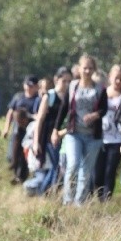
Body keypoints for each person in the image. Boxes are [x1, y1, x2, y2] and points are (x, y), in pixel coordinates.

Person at [52, 54, 108, 205]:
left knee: (86, 172)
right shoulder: (73, 86)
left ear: (94, 69)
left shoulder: (100, 89)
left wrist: (95, 115)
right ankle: (67, 200)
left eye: (90, 68)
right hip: (74, 133)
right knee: (73, 165)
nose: (87, 71)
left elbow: (104, 109)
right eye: (85, 68)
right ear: (79, 68)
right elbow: (64, 108)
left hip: (93, 136)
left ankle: (79, 204)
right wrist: (55, 130)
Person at [30, 66, 71, 195]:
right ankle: (45, 193)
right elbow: (39, 120)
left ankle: (47, 194)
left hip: (64, 136)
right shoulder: (49, 96)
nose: (66, 84)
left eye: (69, 81)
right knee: (56, 166)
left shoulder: (70, 97)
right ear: (56, 80)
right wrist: (36, 142)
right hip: (48, 137)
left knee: (59, 167)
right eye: (64, 81)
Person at [92, 64, 121, 201]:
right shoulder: (102, 93)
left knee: (110, 171)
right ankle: (98, 195)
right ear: (110, 77)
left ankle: (106, 200)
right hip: (100, 137)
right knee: (97, 172)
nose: (118, 81)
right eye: (116, 78)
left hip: (117, 139)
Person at [2, 74, 40, 184]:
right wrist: (6, 128)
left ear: (36, 86)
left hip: (29, 132)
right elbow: (10, 112)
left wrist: (28, 116)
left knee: (24, 156)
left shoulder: (38, 99)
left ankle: (20, 177)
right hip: (17, 130)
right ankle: (15, 173)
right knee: (12, 155)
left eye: (31, 86)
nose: (29, 88)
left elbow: (39, 115)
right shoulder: (18, 97)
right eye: (27, 85)